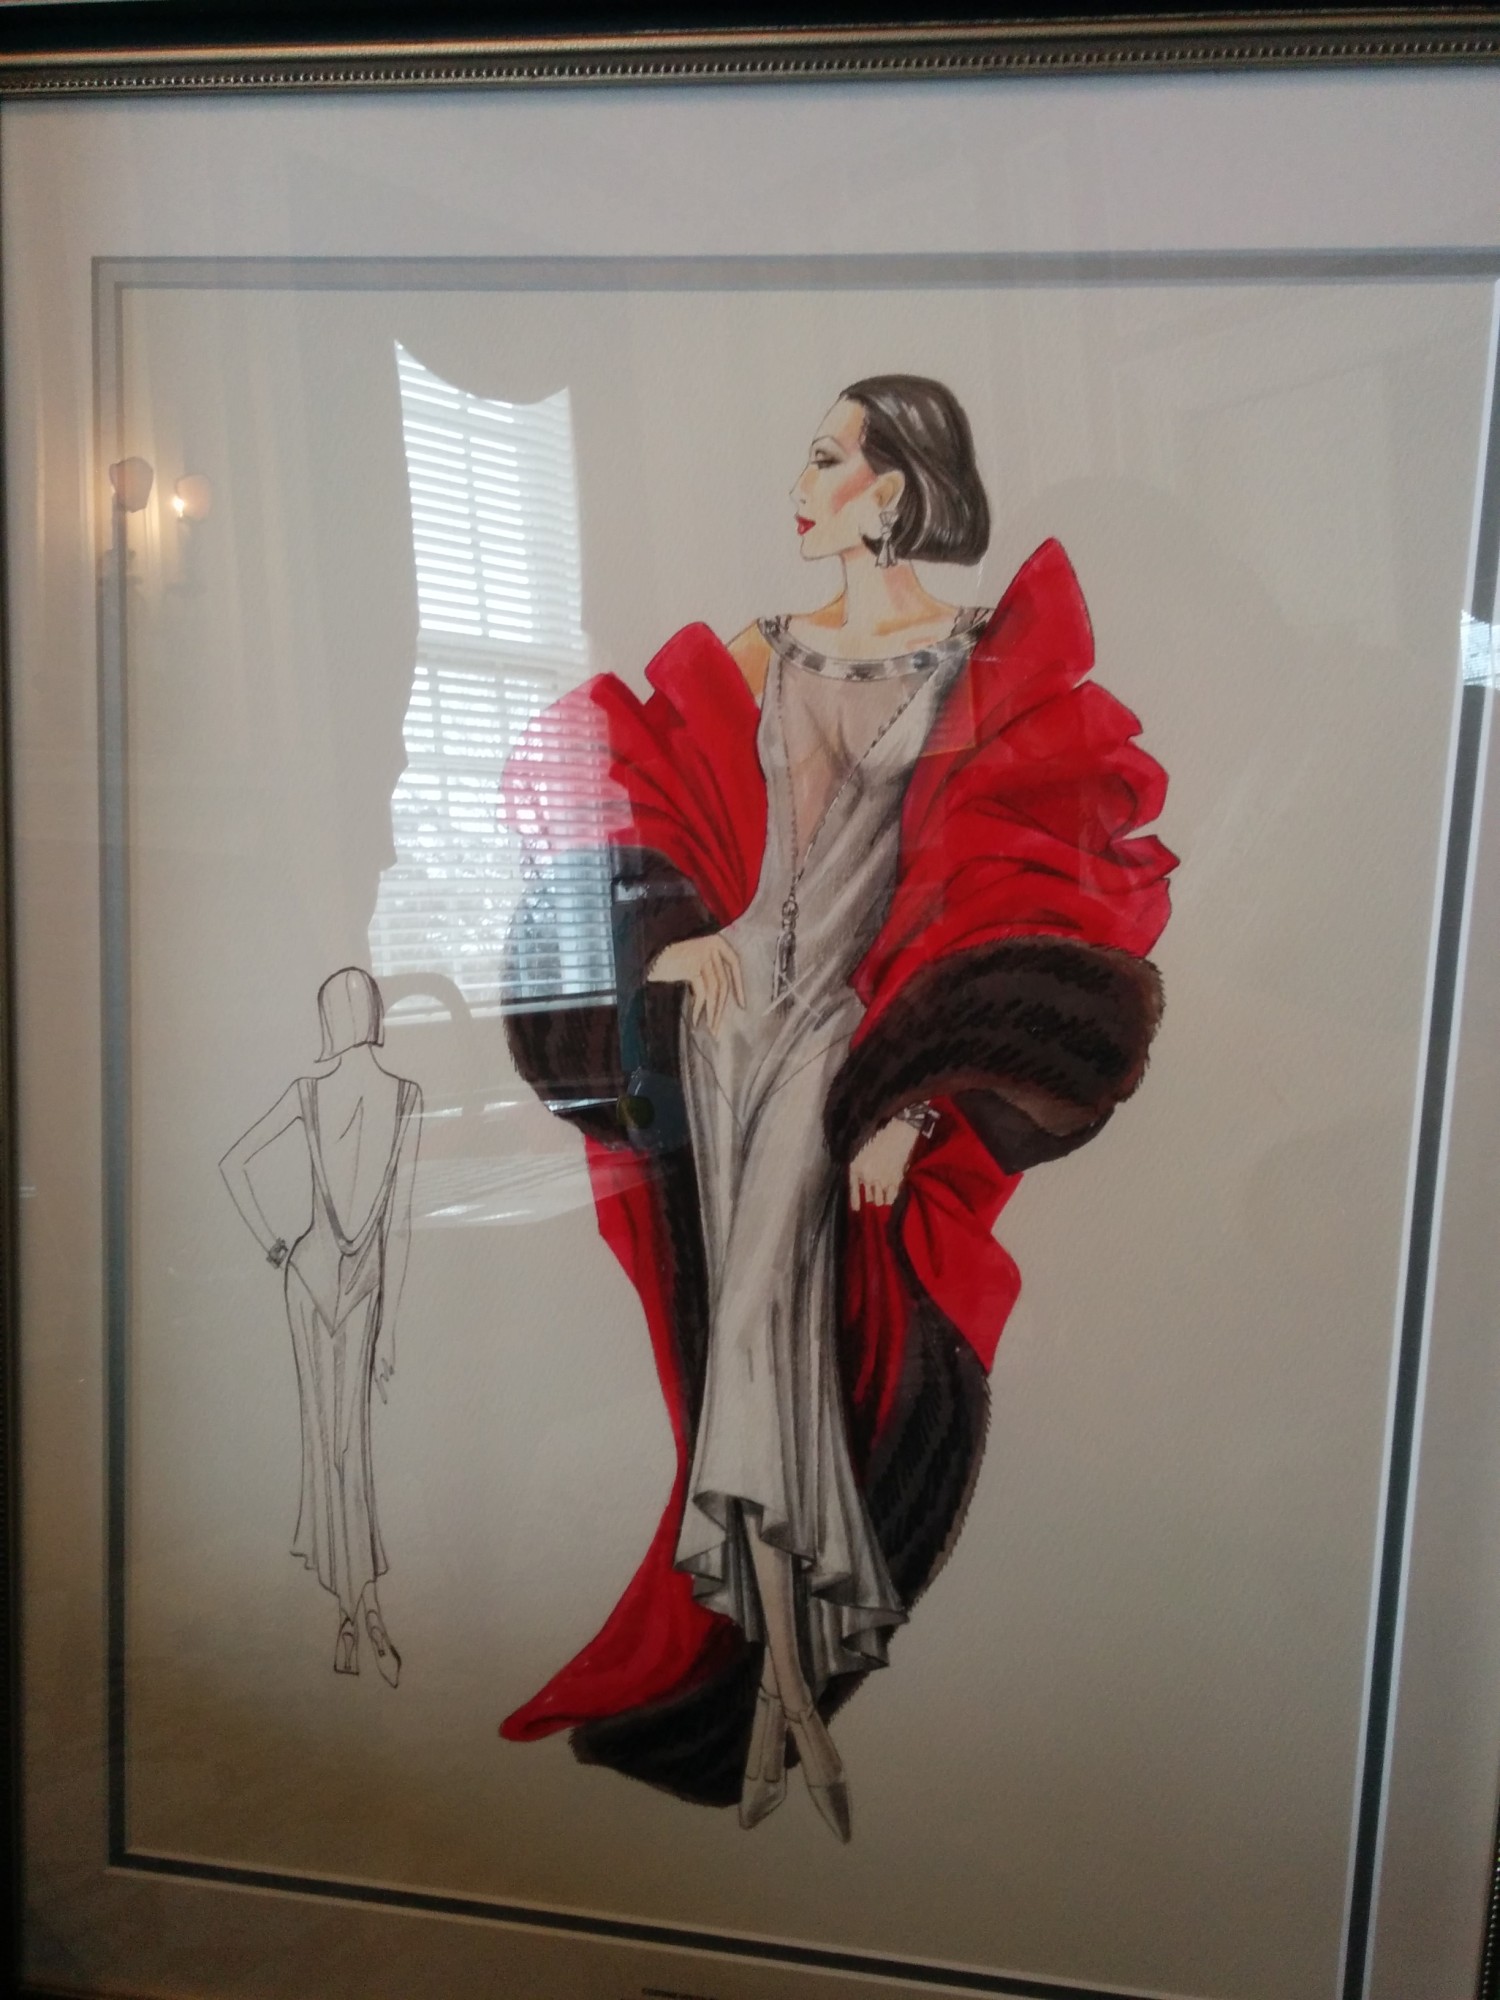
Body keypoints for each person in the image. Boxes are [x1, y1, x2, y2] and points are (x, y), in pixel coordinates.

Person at [500, 376, 1176, 1836]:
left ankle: (784, 1683)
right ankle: (782, 1689)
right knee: (748, 1343)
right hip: (731, 1014)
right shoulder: (769, 640)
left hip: (847, 1034)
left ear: (896, 487)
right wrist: (664, 940)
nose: (799, 484)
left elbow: (998, 872)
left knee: (774, 1331)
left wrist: (913, 1106)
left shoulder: (973, 652)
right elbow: (624, 778)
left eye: (825, 459)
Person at [220, 966, 422, 1686]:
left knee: (342, 1447)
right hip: (326, 1285)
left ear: (330, 1020)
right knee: (333, 1446)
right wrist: (387, 1323)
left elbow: (235, 1164)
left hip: (320, 1281)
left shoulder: (370, 1095)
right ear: (372, 1016)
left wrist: (275, 1245)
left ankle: (355, 1614)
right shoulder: (393, 1095)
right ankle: (358, 1613)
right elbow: (398, 1226)